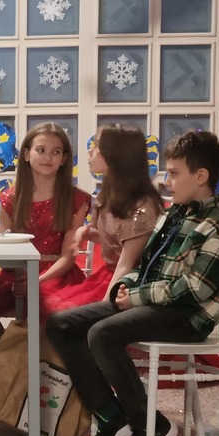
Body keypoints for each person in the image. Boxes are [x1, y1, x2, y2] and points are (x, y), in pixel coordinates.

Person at [46, 130, 219, 436]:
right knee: (61, 324)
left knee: (102, 333)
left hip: (188, 316)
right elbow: (144, 263)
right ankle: (111, 416)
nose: (166, 181)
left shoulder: (216, 224)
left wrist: (136, 296)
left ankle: (149, 427)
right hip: (152, 303)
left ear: (201, 176)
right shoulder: (174, 215)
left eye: (174, 173)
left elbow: (196, 288)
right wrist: (127, 286)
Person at [0, 122, 91, 354]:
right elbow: (5, 248)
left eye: (56, 152)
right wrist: (19, 274)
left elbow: (68, 256)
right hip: (17, 271)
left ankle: (47, 366)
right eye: (41, 150)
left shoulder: (76, 199)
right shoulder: (9, 198)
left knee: (46, 303)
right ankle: (5, 362)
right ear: (26, 154)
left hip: (57, 272)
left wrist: (37, 281)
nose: (48, 157)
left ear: (64, 159)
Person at [42, 125, 163, 314]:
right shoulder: (107, 196)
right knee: (46, 303)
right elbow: (114, 238)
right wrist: (84, 232)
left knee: (61, 310)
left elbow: (126, 263)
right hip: (105, 276)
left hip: (127, 283)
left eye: (97, 146)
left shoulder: (142, 206)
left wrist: (103, 308)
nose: (90, 151)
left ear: (116, 153)